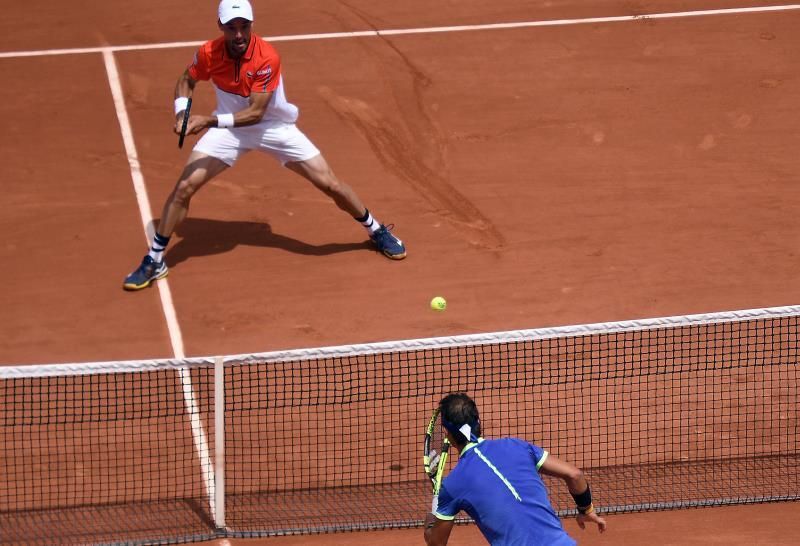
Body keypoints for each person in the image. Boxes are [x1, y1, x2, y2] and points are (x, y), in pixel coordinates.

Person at [123, 0, 406, 291]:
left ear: (251, 25)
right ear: (220, 27)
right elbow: (186, 80)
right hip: (229, 131)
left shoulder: (266, 57)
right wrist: (182, 113)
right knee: (184, 187)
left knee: (330, 184)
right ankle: (155, 259)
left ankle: (376, 230)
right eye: (231, 28)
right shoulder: (208, 53)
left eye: (244, 27)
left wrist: (207, 121)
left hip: (273, 128)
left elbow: (256, 113)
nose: (239, 35)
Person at [425, 393, 607, 546]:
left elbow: (436, 543)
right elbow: (574, 475)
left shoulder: (453, 485)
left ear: (448, 434)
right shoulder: (516, 446)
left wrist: (431, 521)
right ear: (478, 421)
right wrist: (586, 510)